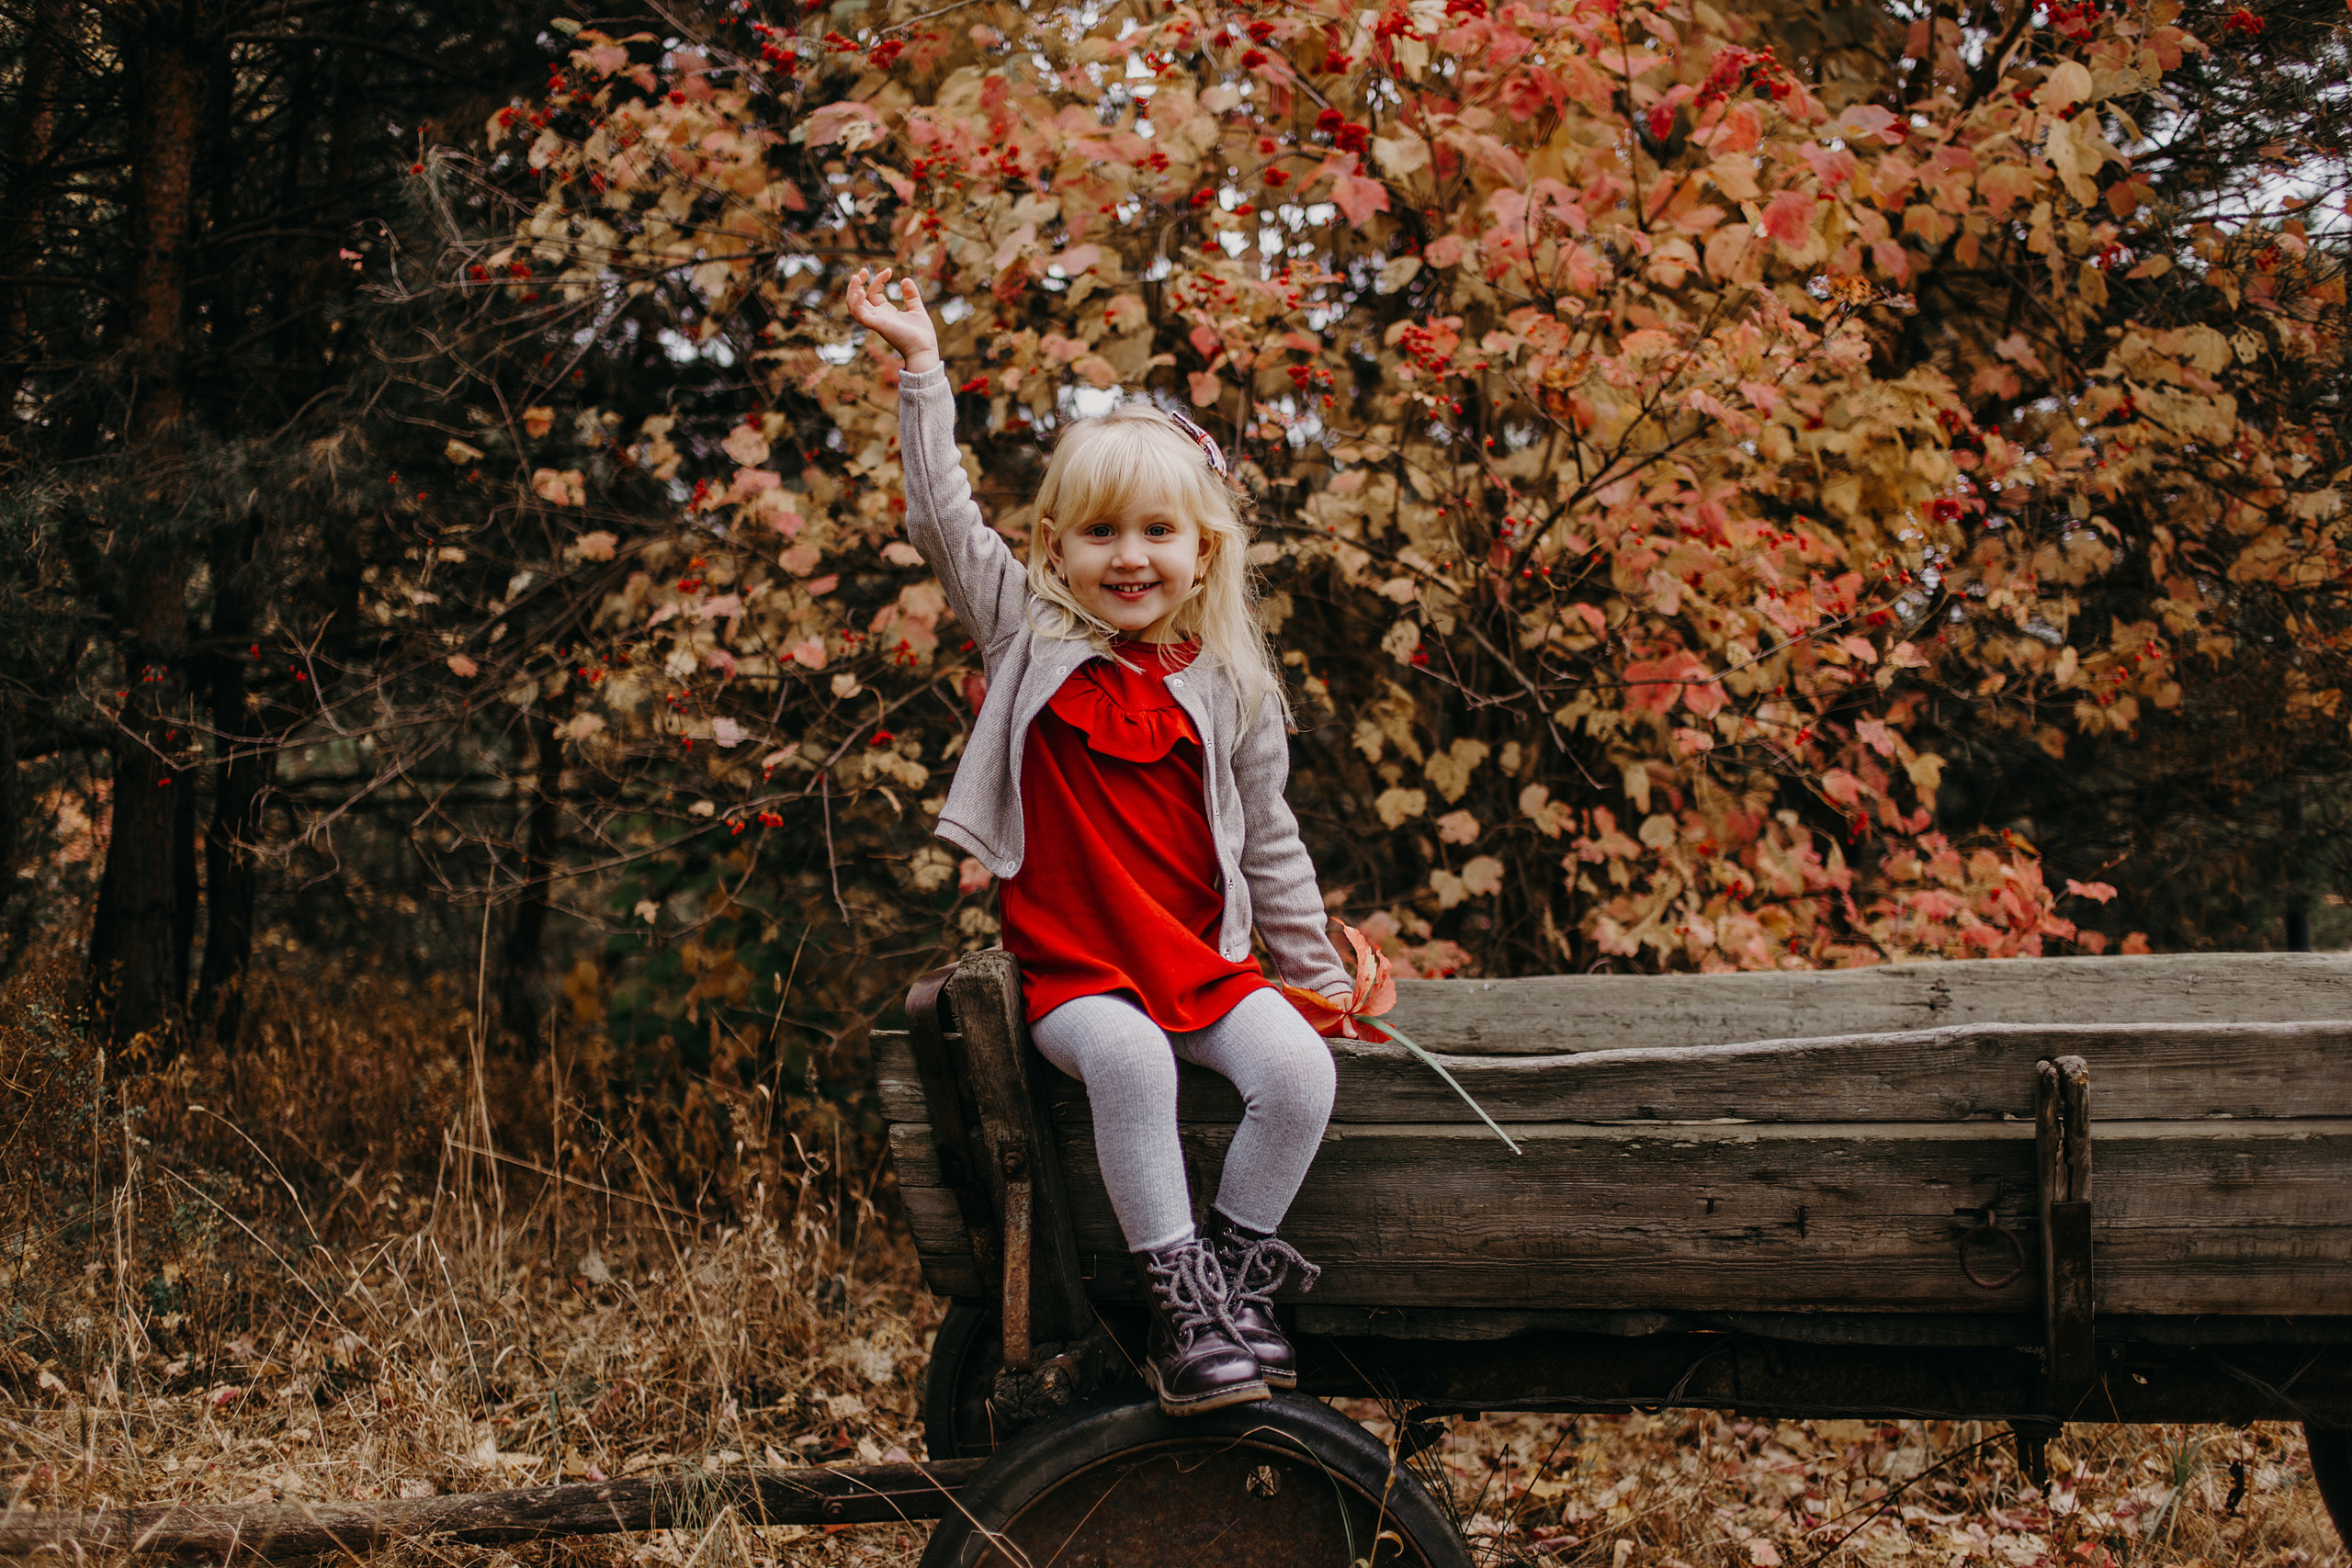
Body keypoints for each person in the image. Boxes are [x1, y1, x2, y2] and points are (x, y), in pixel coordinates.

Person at [847, 266, 1356, 1415]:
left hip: (1198, 958)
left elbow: (1269, 845)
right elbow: (939, 516)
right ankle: (1182, 1307)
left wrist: (1317, 979)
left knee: (1298, 1074)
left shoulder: (1228, 686)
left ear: (1204, 550)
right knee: (1128, 1062)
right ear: (1053, 549)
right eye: (1099, 535)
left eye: (1157, 532)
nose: (1129, 558)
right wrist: (923, 369)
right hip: (1077, 968)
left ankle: (1231, 1287)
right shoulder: (1026, 635)